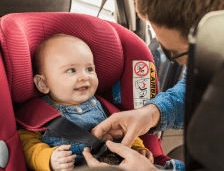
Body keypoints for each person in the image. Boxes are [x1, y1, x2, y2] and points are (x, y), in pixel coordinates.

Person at [82, 0, 224, 170]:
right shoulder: (221, 40)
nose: (168, 56)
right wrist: (150, 113)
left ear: (218, 31)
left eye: (172, 52)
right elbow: (199, 86)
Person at [18, 34, 153, 171]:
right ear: (43, 83)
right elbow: (27, 146)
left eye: (89, 69)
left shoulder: (104, 107)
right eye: (71, 70)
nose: (84, 77)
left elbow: (124, 130)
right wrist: (49, 159)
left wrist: (137, 149)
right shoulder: (39, 114)